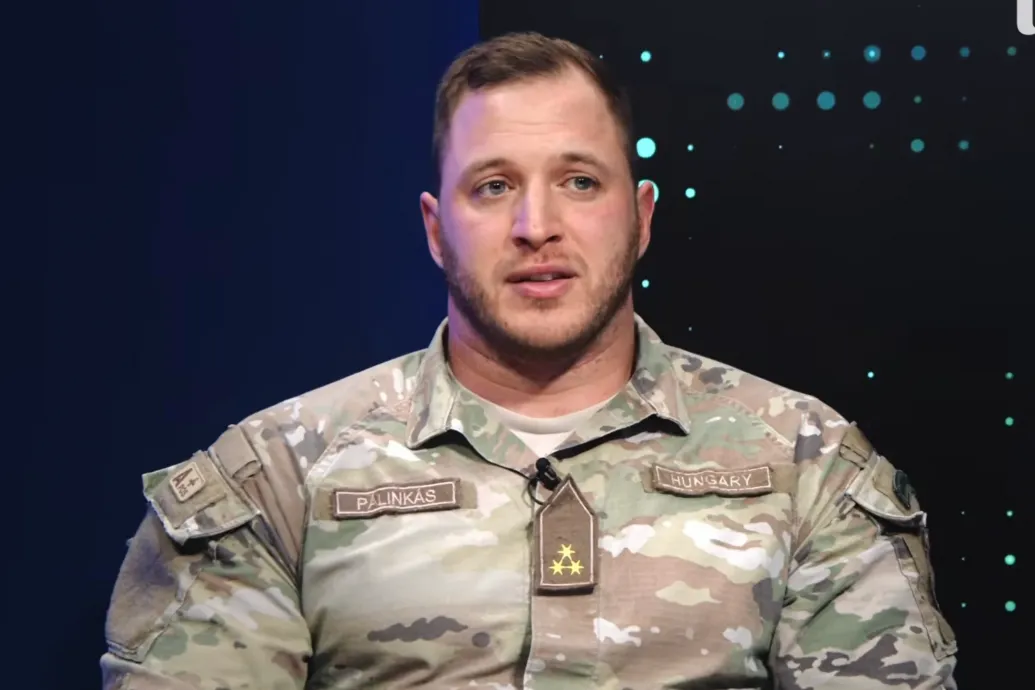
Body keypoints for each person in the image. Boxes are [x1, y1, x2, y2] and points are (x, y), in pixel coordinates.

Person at [101, 31, 958, 690]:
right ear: (436, 229)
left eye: (579, 181)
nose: (535, 226)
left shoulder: (804, 463)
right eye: (493, 186)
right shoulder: (276, 479)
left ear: (640, 217)